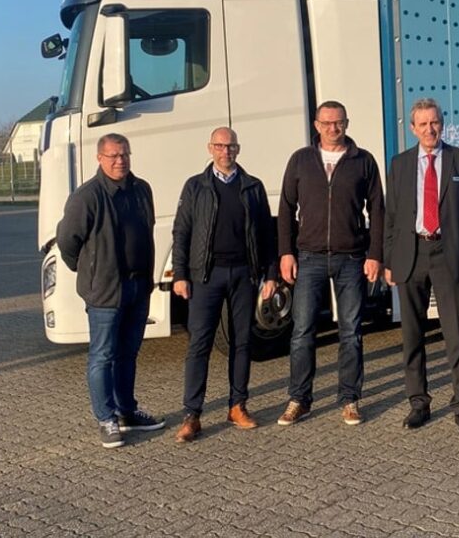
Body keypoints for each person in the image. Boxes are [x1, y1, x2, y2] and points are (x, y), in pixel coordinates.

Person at [277, 101, 384, 427]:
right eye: (326, 123)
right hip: (308, 257)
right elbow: (286, 208)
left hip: (351, 258)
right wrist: (285, 252)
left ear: (347, 123)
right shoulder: (300, 159)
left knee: (351, 332)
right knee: (302, 332)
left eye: (338, 123)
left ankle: (350, 399)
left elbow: (377, 210)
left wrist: (375, 254)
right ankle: (299, 399)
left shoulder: (363, 161)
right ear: (316, 125)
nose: (333, 128)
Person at [56, 133, 165, 448]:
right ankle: (106, 418)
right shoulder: (87, 196)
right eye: (114, 155)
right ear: (100, 158)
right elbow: (67, 241)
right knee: (102, 355)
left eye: (125, 154)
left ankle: (127, 411)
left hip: (138, 286)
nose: (121, 161)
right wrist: (89, 271)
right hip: (105, 291)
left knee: (128, 353)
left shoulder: (142, 189)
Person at [170, 127, 277, 443]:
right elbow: (182, 232)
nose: (225, 151)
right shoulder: (195, 186)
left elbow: (266, 234)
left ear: (238, 149)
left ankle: (237, 406)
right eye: (219, 146)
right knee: (199, 344)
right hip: (206, 275)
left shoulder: (252, 187)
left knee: (242, 342)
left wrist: (271, 274)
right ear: (210, 148)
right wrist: (179, 275)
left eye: (230, 146)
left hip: (244, 273)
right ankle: (192, 415)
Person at [384, 98, 459, 432]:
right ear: (413, 128)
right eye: (423, 124)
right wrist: (389, 260)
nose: (430, 129)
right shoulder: (399, 164)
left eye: (434, 122)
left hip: (448, 254)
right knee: (412, 335)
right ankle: (418, 402)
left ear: (442, 123)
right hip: (411, 255)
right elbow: (391, 215)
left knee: (457, 334)